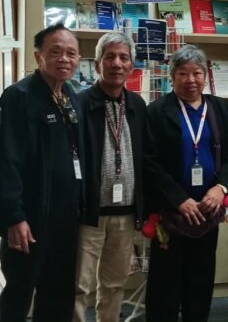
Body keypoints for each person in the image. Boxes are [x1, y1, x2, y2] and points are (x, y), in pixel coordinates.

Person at [0, 24, 87, 322]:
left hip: (65, 217)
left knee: (59, 294)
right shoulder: (19, 96)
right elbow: (8, 160)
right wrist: (14, 216)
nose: (64, 59)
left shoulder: (70, 95)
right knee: (19, 293)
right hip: (30, 218)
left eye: (71, 53)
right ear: (38, 57)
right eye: (55, 52)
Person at [143, 45, 228, 322]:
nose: (191, 80)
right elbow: (148, 162)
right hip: (171, 211)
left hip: (209, 209)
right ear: (172, 77)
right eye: (183, 73)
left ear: (205, 76)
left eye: (197, 73)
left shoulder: (221, 108)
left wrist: (221, 188)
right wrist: (179, 199)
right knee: (165, 282)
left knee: (200, 278)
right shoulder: (156, 111)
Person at [74, 32, 147, 322]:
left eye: (124, 57)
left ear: (132, 66)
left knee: (115, 284)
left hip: (125, 213)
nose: (117, 63)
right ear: (97, 64)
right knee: (79, 286)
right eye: (110, 57)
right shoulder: (79, 103)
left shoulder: (137, 105)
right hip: (89, 213)